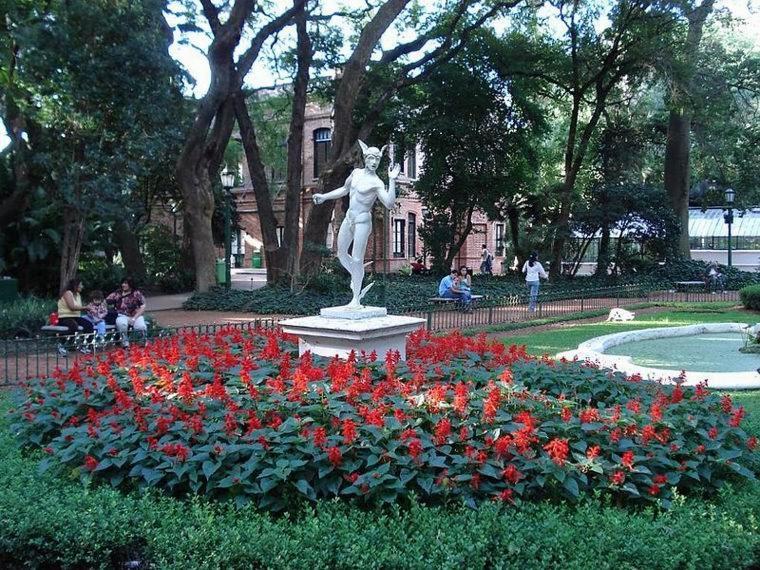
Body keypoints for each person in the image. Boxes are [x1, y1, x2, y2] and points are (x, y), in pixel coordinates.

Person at [313, 141, 400, 309]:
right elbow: (344, 190)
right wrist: (324, 196)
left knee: (358, 258)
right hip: (349, 218)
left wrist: (392, 180)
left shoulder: (377, 183)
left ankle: (355, 298)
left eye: (377, 159)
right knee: (341, 254)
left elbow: (389, 203)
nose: (374, 162)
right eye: (371, 158)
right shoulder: (356, 173)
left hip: (362, 221)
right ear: (366, 158)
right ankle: (357, 275)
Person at [56, 279, 94, 355]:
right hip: (65, 317)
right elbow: (72, 307)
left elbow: (78, 307)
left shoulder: (78, 295)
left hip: (76, 317)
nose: (82, 287)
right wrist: (85, 307)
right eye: (81, 285)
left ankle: (86, 346)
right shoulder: (67, 293)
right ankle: (61, 345)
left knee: (89, 325)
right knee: (73, 326)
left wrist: (88, 309)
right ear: (75, 286)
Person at [107, 278, 147, 347]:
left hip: (136, 316)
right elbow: (106, 301)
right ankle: (125, 342)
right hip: (121, 315)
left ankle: (142, 342)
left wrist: (134, 318)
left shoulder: (137, 293)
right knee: (122, 324)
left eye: (126, 283)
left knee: (141, 327)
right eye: (123, 283)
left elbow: (143, 306)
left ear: (130, 284)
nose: (123, 285)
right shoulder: (117, 293)